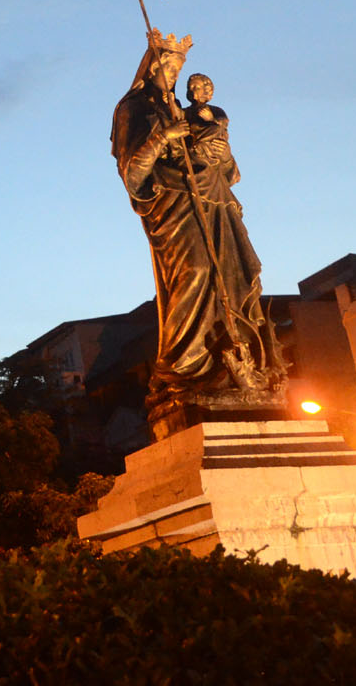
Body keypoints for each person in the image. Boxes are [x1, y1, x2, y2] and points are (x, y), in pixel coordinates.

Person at [111, 33, 284, 435]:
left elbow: (228, 169)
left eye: (179, 69)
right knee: (195, 274)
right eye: (169, 67)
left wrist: (221, 154)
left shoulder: (188, 110)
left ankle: (234, 361)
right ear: (152, 68)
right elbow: (132, 173)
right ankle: (183, 369)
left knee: (232, 276)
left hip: (212, 199)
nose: (174, 75)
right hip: (171, 204)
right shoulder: (133, 108)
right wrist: (162, 137)